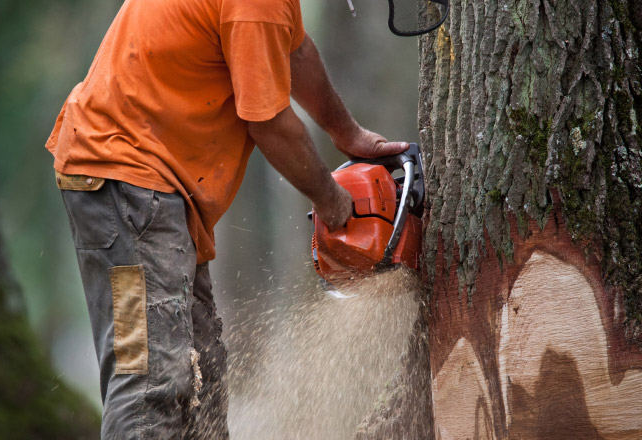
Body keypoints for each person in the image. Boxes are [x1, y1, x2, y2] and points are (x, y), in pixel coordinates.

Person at [46, 0, 408, 438]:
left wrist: (346, 133)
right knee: (151, 379)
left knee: (202, 376)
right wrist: (332, 201)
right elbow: (269, 120)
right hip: (124, 177)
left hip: (153, 186)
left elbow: (295, 52)